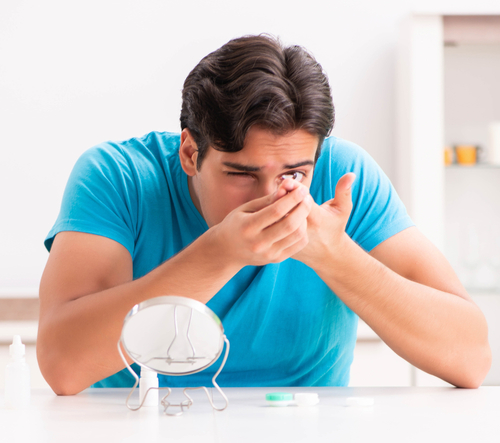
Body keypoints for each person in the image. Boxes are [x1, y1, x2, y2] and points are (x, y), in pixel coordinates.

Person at [37, 34, 491, 395]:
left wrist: (334, 254)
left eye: (295, 172)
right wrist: (219, 255)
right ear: (191, 152)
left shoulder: (344, 178)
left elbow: (471, 358)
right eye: (242, 174)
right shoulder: (118, 177)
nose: (273, 197)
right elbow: (63, 365)